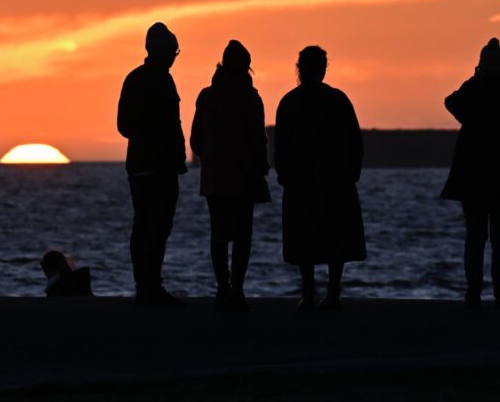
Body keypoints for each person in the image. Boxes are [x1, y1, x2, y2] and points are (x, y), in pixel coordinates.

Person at [440, 38, 500, 309]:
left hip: (474, 176)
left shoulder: (473, 94)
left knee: (476, 236)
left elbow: (452, 102)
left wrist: (475, 81)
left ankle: (474, 292)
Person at [274, 45, 365, 312]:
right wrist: (353, 171)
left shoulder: (290, 102)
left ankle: (309, 293)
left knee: (305, 236)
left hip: (303, 181)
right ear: (323, 69)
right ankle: (333, 292)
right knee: (335, 236)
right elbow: (355, 140)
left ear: (300, 69)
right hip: (334, 180)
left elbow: (280, 145)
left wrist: (283, 173)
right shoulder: (337, 100)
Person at [190, 40, 269, 312]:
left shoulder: (206, 96)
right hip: (244, 177)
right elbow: (259, 139)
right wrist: (260, 167)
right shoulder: (251, 98)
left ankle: (223, 288)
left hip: (214, 178)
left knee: (218, 235)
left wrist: (211, 158)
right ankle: (237, 289)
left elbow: (195, 141)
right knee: (242, 236)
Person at [117, 22, 188, 308]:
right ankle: (150, 286)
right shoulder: (161, 80)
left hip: (142, 166)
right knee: (157, 227)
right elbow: (168, 125)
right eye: (173, 51)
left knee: (144, 225)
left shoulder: (134, 79)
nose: (174, 57)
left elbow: (123, 126)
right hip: (159, 167)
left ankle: (144, 284)